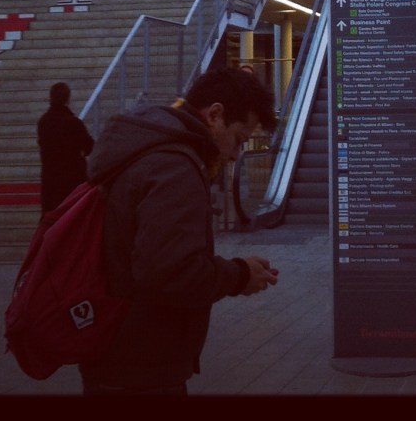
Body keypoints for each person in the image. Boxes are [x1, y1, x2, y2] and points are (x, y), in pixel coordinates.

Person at [78, 67, 279, 395]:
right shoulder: (174, 166)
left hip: (116, 350)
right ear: (215, 115)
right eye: (238, 140)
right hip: (143, 364)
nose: (234, 155)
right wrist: (239, 275)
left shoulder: (149, 147)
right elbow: (169, 272)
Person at [37, 81, 94, 213]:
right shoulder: (73, 123)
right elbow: (90, 146)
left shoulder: (43, 122)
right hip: (73, 180)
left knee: (52, 217)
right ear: (68, 99)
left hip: (50, 180)